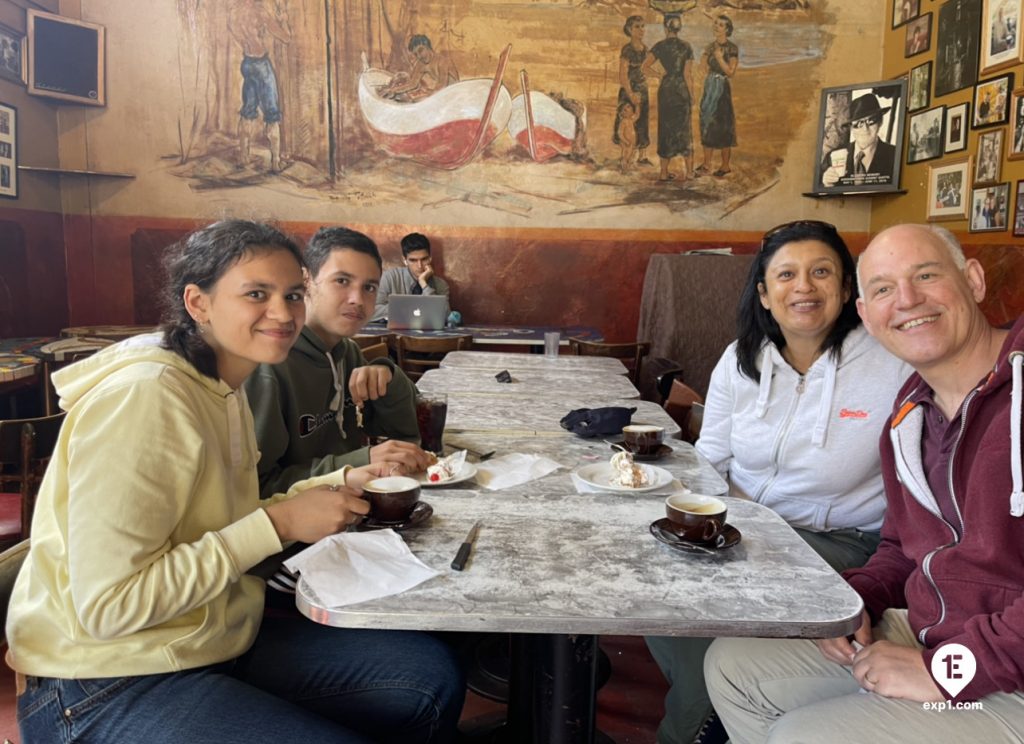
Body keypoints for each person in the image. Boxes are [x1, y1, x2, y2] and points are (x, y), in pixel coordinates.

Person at [5, 220, 465, 743]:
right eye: (255, 294)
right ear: (198, 304)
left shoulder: (224, 386)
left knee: (428, 680)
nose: (283, 312)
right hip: (102, 680)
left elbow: (222, 516)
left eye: (292, 294)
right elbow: (110, 606)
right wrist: (277, 522)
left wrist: (342, 476)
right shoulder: (147, 398)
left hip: (212, 636)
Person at [705, 223, 1024, 743]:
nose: (907, 300)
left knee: (801, 735)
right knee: (734, 666)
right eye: (883, 289)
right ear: (867, 315)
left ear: (974, 279)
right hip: (939, 632)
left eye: (925, 275)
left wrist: (950, 669)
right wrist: (857, 602)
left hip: (998, 667)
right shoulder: (911, 413)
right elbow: (902, 545)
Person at [646, 220, 909, 744]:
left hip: (841, 542)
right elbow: (710, 459)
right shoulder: (740, 361)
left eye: (821, 272)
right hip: (745, 528)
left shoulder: (894, 363)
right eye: (786, 275)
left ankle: (685, 730)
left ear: (846, 286)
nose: (804, 287)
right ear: (764, 294)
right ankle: (713, 708)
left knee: (715, 632)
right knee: (658, 587)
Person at [245, 226, 432, 501]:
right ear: (305, 281)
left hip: (351, 509)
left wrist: (387, 374)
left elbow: (404, 435)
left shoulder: (347, 353)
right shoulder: (269, 366)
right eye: (342, 281)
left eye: (369, 287)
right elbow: (256, 488)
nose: (357, 299)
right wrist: (359, 459)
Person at [229, 0, 290, 173]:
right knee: (272, 113)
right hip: (261, 65)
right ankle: (276, 163)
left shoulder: (234, 12)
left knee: (248, 110)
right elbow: (286, 37)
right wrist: (283, 18)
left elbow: (240, 34)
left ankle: (243, 157)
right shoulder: (259, 11)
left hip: (247, 63)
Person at [643, 13, 695, 181]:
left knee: (665, 129)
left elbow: (645, 67)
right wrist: (692, 95)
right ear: (679, 28)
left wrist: (659, 74)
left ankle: (664, 173)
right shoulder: (686, 47)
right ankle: (689, 172)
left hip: (666, 90)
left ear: (665, 28)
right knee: (685, 130)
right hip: (681, 89)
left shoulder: (659, 46)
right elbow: (688, 74)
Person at [821, 93, 897, 188]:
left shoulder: (895, 156)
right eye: (858, 123)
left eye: (871, 120)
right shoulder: (831, 158)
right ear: (851, 127)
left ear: (880, 122)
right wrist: (826, 184)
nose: (865, 128)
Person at [371, 232, 450, 321]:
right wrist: (409, 307)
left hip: (428, 333)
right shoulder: (389, 278)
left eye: (424, 259)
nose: (419, 266)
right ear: (405, 260)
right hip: (395, 333)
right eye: (413, 260)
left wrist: (424, 285)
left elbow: (446, 316)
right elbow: (371, 311)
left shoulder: (441, 285)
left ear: (430, 258)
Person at [696, 13, 738, 177]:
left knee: (724, 125)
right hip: (710, 87)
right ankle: (706, 164)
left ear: (727, 29)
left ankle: (725, 165)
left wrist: (720, 58)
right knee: (707, 122)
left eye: (720, 24)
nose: (716, 26)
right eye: (715, 23)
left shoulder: (732, 48)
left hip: (722, 90)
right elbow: (702, 67)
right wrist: (704, 69)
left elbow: (730, 72)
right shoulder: (710, 47)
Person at [613, 15, 652, 168]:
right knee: (625, 123)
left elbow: (646, 70)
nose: (641, 30)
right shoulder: (627, 49)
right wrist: (630, 94)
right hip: (628, 90)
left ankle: (642, 156)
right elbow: (623, 75)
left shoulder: (646, 49)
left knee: (642, 121)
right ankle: (625, 156)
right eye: (637, 26)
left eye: (643, 26)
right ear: (629, 29)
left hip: (642, 90)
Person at [378, 34, 459, 102]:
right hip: (441, 93)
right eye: (416, 54)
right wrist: (393, 90)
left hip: (455, 93)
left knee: (417, 100)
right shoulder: (421, 64)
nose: (419, 56)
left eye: (420, 50)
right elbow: (412, 83)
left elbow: (442, 85)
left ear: (428, 47)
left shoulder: (442, 61)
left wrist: (425, 94)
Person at [616, 100, 640, 171]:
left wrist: (637, 105)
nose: (629, 110)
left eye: (629, 107)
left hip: (632, 142)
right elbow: (619, 133)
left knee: (631, 154)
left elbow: (637, 114)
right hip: (626, 143)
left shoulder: (631, 119)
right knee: (626, 156)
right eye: (626, 109)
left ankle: (628, 167)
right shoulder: (623, 122)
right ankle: (624, 168)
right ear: (621, 113)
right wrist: (625, 141)